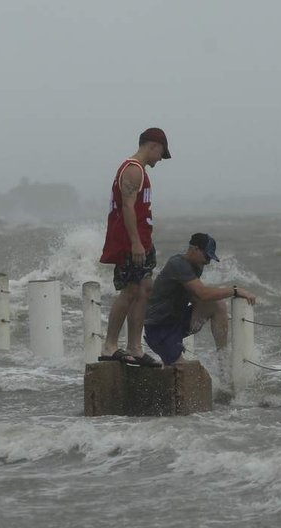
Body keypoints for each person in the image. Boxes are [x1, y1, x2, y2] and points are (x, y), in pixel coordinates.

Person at [97, 127, 172, 367]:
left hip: (143, 240)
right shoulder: (133, 170)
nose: (160, 160)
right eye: (161, 154)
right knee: (130, 291)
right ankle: (109, 347)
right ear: (154, 146)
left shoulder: (140, 171)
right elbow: (128, 208)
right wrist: (136, 243)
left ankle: (135, 347)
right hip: (132, 243)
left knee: (145, 289)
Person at [144, 233, 257, 367]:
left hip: (176, 322)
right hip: (159, 329)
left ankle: (223, 361)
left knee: (217, 306)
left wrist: (206, 317)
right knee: (183, 369)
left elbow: (197, 298)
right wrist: (235, 290)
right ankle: (171, 354)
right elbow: (203, 294)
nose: (208, 262)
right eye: (207, 256)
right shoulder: (178, 264)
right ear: (195, 249)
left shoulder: (196, 266)